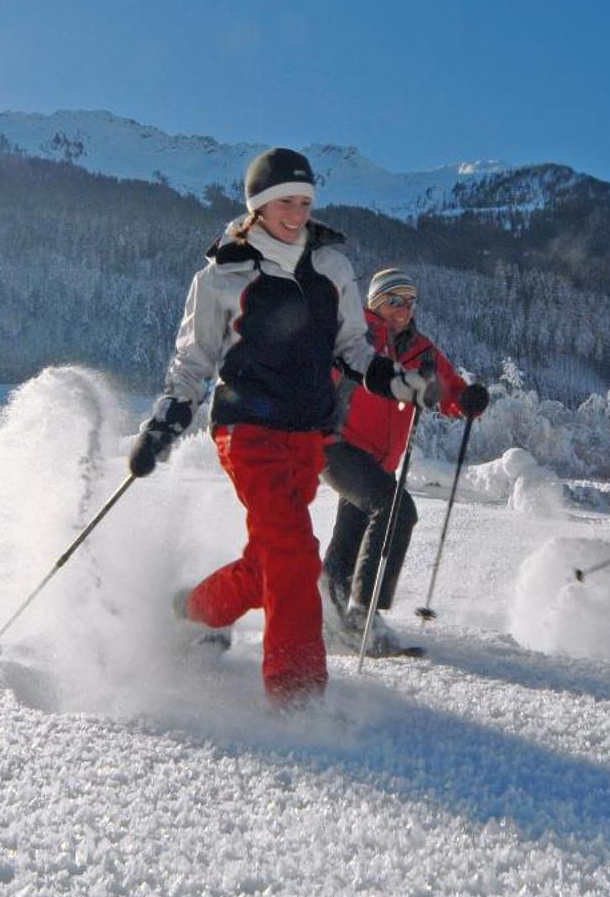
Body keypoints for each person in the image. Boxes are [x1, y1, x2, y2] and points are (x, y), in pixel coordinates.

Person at [126, 148, 429, 706]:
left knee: (270, 559)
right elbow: (194, 360)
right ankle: (297, 696)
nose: (297, 212)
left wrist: (390, 379)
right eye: (285, 201)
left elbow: (352, 348)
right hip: (247, 431)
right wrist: (164, 423)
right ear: (258, 205)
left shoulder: (331, 266)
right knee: (294, 554)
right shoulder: (222, 275)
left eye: (306, 201)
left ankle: (191, 612)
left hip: (307, 437)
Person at [318, 268, 488, 654]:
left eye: (410, 301)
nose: (404, 308)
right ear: (375, 302)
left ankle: (329, 611)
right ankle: (363, 612)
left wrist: (467, 402)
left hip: (378, 460)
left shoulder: (421, 350)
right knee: (396, 510)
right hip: (336, 444)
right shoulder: (354, 336)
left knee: (353, 528)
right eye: (395, 300)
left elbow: (450, 392)